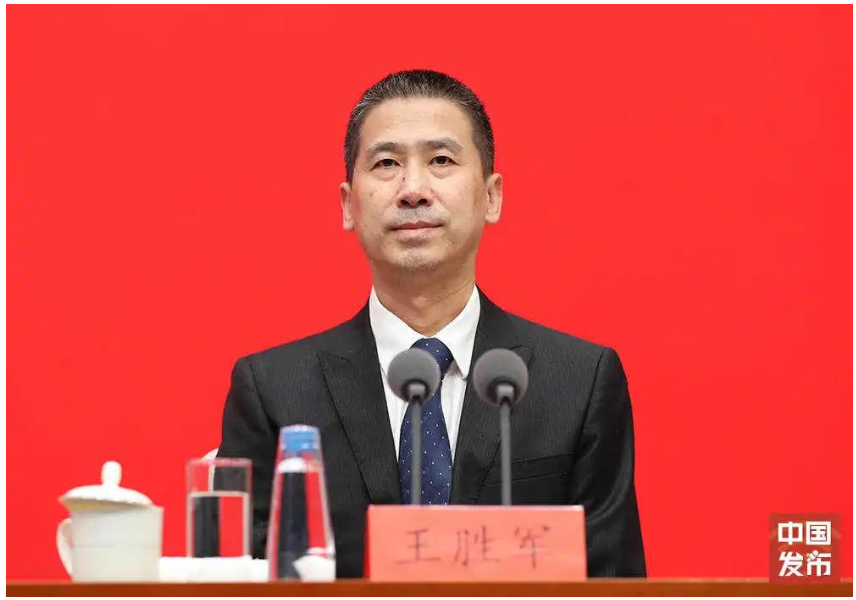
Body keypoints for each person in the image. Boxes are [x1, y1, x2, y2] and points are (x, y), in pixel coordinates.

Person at [218, 69, 646, 578]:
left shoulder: (578, 382)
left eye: (441, 160)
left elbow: (614, 581)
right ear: (348, 205)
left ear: (491, 196)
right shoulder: (273, 392)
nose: (413, 189)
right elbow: (236, 579)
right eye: (386, 164)